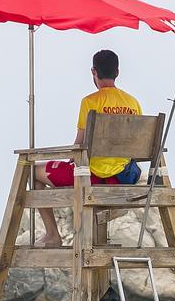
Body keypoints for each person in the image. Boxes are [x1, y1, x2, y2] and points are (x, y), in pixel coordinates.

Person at [31, 50, 142, 247]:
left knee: (33, 171)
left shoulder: (90, 102)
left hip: (92, 177)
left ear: (94, 71)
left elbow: (79, 144)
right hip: (120, 178)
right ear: (117, 72)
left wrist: (67, 160)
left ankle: (52, 234)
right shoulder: (133, 103)